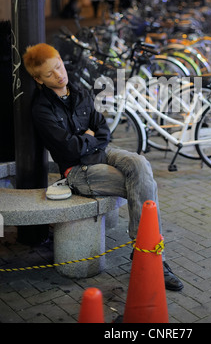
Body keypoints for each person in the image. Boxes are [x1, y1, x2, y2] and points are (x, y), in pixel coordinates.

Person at [22, 43, 184, 292]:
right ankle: (152, 258)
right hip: (76, 172)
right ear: (38, 79)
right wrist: (89, 137)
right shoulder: (42, 109)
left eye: (59, 66)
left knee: (140, 164)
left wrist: (86, 138)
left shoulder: (80, 93)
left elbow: (104, 130)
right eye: (49, 74)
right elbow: (69, 150)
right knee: (143, 184)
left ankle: (144, 252)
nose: (59, 74)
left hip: (102, 153)